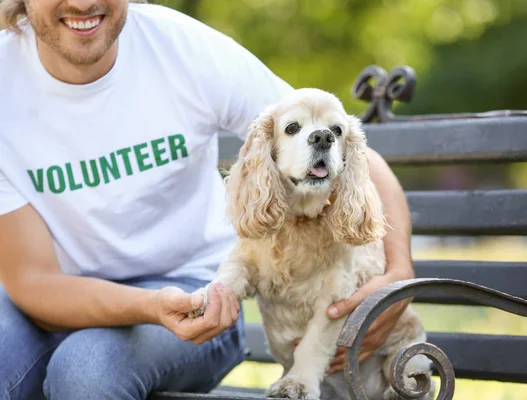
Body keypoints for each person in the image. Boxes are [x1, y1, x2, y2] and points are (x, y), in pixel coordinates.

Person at [0, 0, 416, 399]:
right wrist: (145, 305)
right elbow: (35, 281)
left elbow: (350, 154)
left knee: (85, 372)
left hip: (200, 295)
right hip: (53, 299)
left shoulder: (183, 48)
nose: (82, 2)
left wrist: (398, 273)